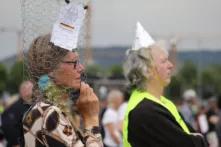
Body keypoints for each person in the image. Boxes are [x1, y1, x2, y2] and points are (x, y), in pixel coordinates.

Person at [22, 2, 102, 147]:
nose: (81, 68)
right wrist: (91, 120)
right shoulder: (46, 112)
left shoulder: (49, 109)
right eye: (74, 63)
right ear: (50, 68)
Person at [122, 22, 208, 147]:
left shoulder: (162, 103)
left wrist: (196, 138)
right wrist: (198, 139)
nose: (170, 65)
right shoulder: (146, 111)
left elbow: (192, 137)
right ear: (148, 71)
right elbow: (192, 143)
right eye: (163, 61)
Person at [1, 81, 33, 147]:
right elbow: (8, 126)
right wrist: (16, 143)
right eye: (31, 88)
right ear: (23, 90)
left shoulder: (32, 105)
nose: (34, 91)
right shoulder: (13, 108)